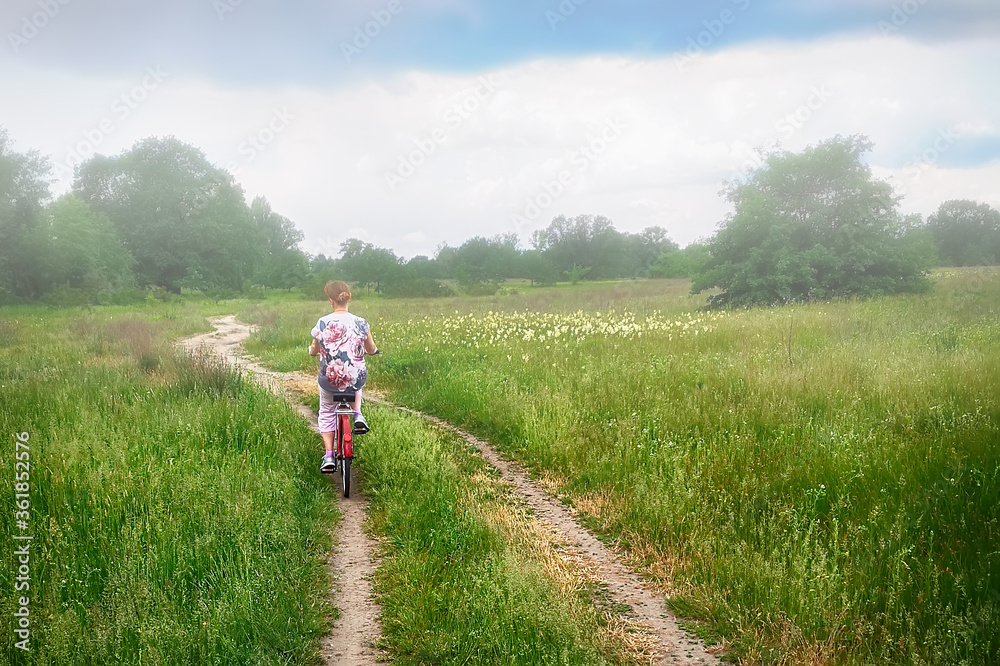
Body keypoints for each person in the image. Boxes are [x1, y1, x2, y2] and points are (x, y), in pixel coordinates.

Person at [308, 280, 378, 473]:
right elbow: (371, 348)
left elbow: (315, 347)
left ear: (331, 301)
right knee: (356, 377)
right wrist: (373, 351)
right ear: (349, 297)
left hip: (329, 380)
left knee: (326, 411)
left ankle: (329, 455)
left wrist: (312, 351)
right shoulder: (361, 322)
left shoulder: (322, 322)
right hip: (355, 379)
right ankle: (358, 414)